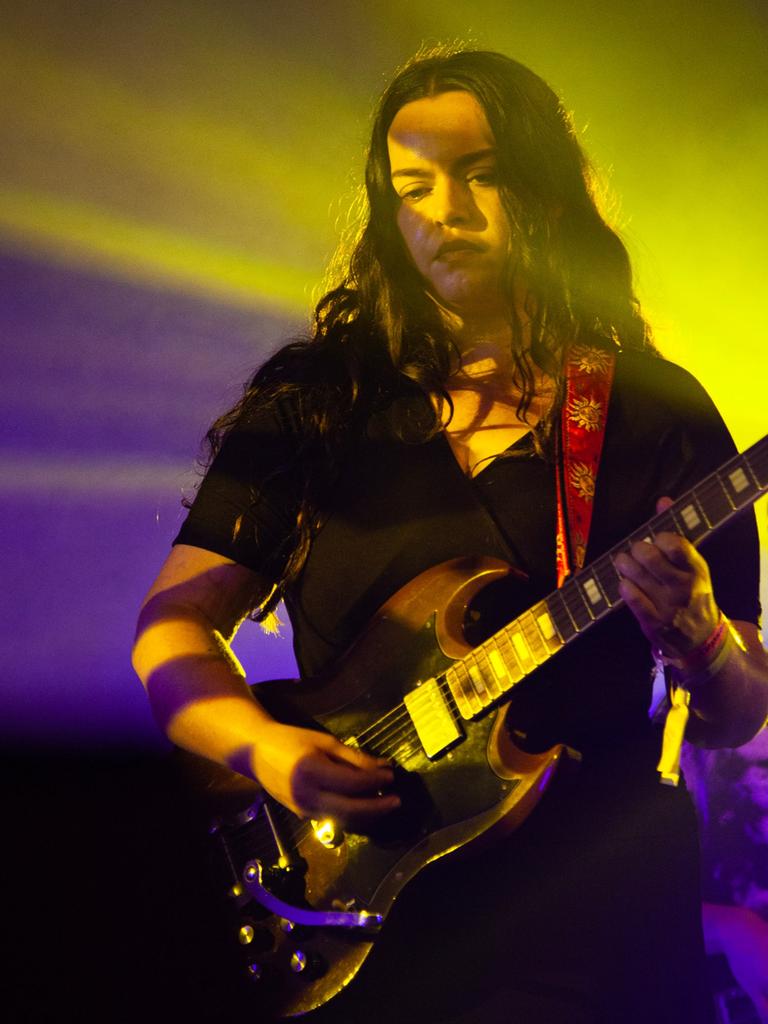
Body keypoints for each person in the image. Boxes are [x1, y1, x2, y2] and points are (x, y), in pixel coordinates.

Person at [133, 47, 768, 1023]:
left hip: (592, 908)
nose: (445, 212)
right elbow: (174, 627)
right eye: (414, 185)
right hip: (362, 922)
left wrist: (701, 634)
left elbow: (738, 707)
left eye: (480, 176)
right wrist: (267, 750)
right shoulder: (320, 401)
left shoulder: (653, 409)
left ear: (548, 195)